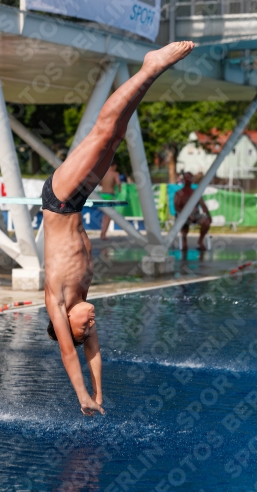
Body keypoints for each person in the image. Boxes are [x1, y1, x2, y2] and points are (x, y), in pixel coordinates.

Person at [42, 41, 195, 416]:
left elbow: (70, 351)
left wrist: (80, 397)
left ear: (66, 325)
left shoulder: (57, 302)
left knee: (102, 132)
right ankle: (149, 72)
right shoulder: (82, 303)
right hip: (75, 202)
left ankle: (150, 68)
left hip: (59, 199)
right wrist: (99, 395)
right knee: (116, 134)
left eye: (85, 326)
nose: (92, 322)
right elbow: (93, 351)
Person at [174, 171, 212, 251]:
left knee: (206, 221)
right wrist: (187, 215)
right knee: (182, 221)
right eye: (187, 177)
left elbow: (203, 205)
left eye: (190, 177)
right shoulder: (179, 193)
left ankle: (200, 241)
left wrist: (208, 215)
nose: (189, 179)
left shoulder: (195, 193)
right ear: (184, 179)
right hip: (183, 214)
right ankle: (184, 242)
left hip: (195, 214)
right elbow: (177, 207)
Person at [99, 161, 121, 240]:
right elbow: (118, 183)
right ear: (114, 166)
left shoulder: (103, 173)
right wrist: (119, 189)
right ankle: (103, 234)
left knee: (104, 215)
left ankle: (102, 232)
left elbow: (100, 184)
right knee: (108, 216)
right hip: (110, 195)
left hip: (101, 195)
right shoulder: (115, 174)